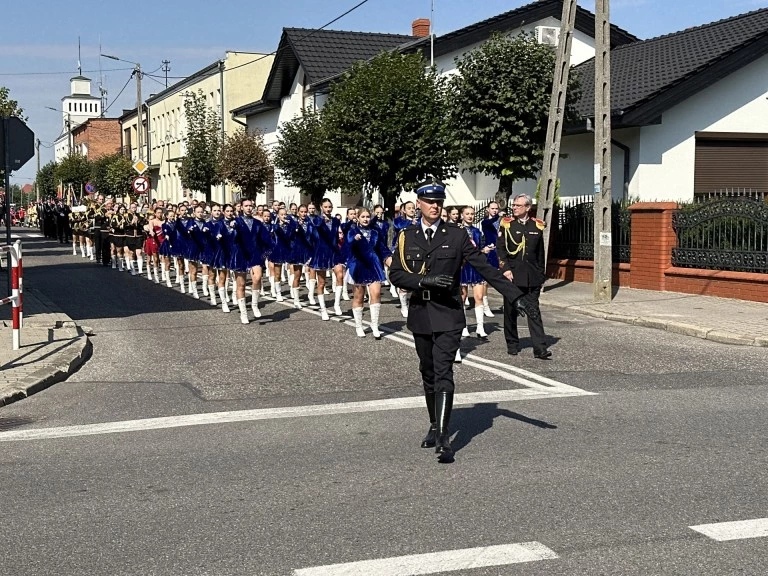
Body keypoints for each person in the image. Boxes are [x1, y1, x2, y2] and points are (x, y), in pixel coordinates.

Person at [389, 180, 538, 464]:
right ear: (418, 203)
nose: (435, 206)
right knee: (428, 370)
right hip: (421, 311)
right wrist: (423, 280)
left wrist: (515, 297)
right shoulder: (407, 236)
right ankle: (435, 424)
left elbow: (485, 268)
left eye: (439, 202)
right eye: (429, 201)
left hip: (448, 313)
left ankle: (444, 438)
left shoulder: (456, 236)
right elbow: (396, 274)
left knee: (444, 371)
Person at [497, 193, 552, 360]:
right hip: (512, 276)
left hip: (531, 277)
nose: (514, 208)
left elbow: (540, 254)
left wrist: (541, 275)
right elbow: (501, 251)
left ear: (528, 207)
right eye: (513, 205)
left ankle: (540, 348)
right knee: (511, 312)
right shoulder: (507, 225)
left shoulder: (537, 226)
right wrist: (505, 269)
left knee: (533, 311)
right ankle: (512, 343)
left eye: (518, 205)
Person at [346, 207, 392, 338]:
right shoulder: (352, 231)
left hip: (374, 265)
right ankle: (359, 326)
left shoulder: (375, 232)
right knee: (359, 297)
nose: (366, 219)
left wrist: (390, 261)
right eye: (363, 217)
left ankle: (375, 325)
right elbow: (348, 244)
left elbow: (383, 248)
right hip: (358, 265)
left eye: (367, 217)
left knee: (376, 293)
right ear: (358, 218)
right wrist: (354, 239)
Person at [309, 198, 345, 320]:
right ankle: (323, 309)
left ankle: (336, 304)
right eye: (326, 207)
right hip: (321, 253)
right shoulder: (317, 220)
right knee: (322, 282)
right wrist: (321, 221)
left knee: (340, 276)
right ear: (321, 207)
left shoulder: (336, 220)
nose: (328, 209)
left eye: (330, 207)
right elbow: (314, 231)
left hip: (334, 252)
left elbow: (338, 235)